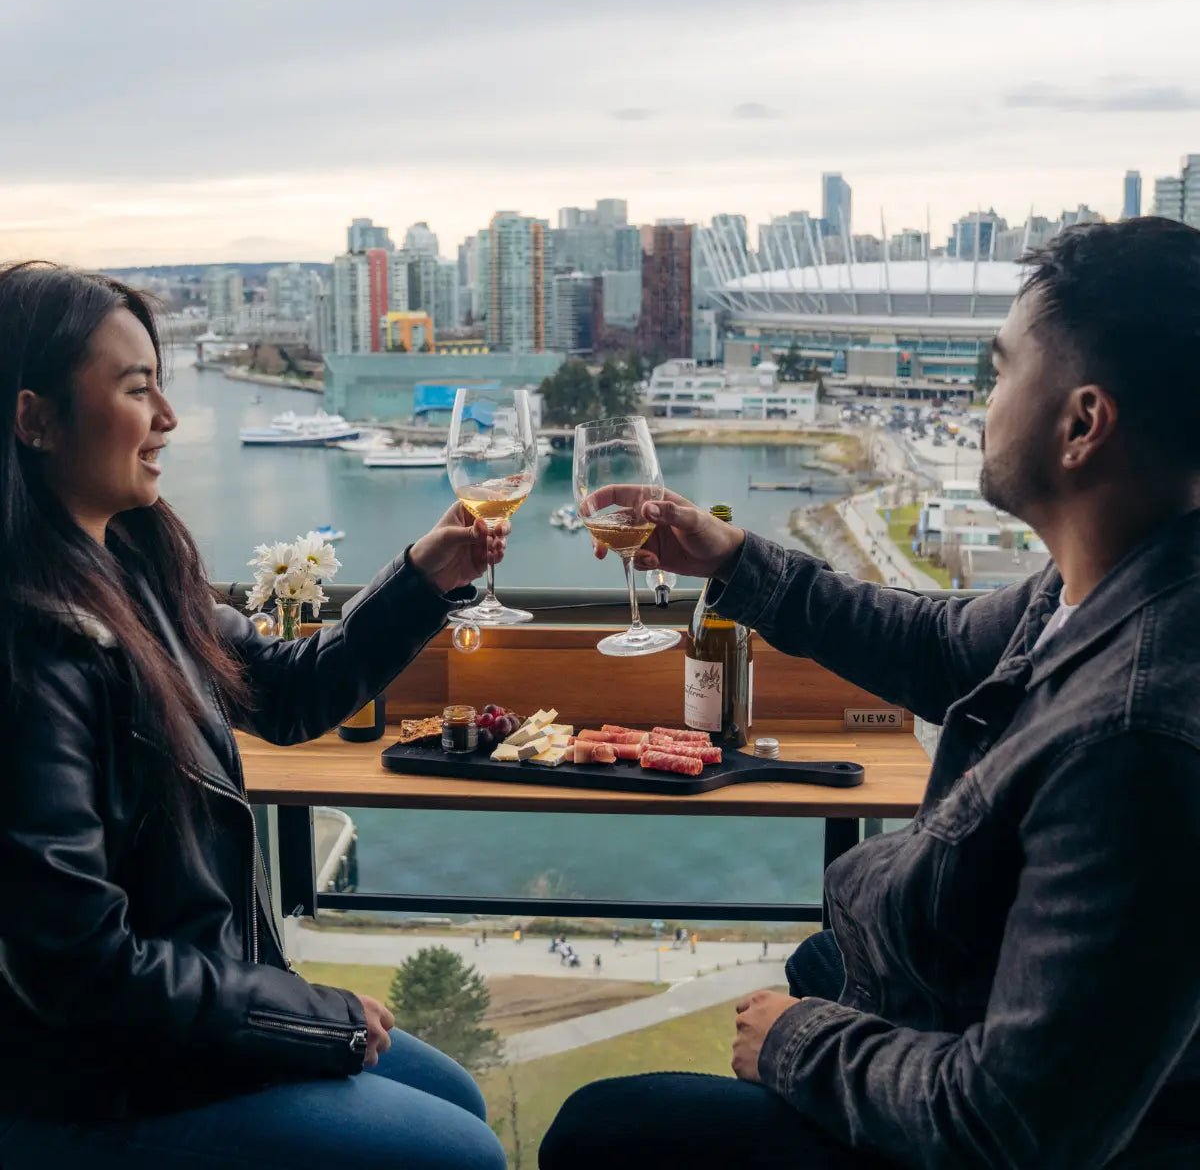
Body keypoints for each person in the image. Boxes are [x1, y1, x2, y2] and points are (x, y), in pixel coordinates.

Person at [542, 219, 1200, 1167]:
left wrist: (797, 1043)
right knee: (824, 959)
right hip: (964, 1001)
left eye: (1002, 369)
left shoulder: (1139, 739)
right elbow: (936, 646)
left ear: (1082, 424)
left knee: (603, 1132)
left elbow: (1008, 1124)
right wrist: (729, 558)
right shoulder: (1100, 583)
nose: (982, 399)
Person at [0, 264, 507, 1170]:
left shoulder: (136, 571)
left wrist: (426, 579)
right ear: (33, 419)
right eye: (135, 388)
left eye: (161, 382)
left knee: (459, 1098)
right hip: (98, 1081)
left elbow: (287, 690)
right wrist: (314, 1016)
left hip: (178, 1034)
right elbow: (77, 965)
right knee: (458, 1152)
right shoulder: (32, 649)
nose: (169, 417)